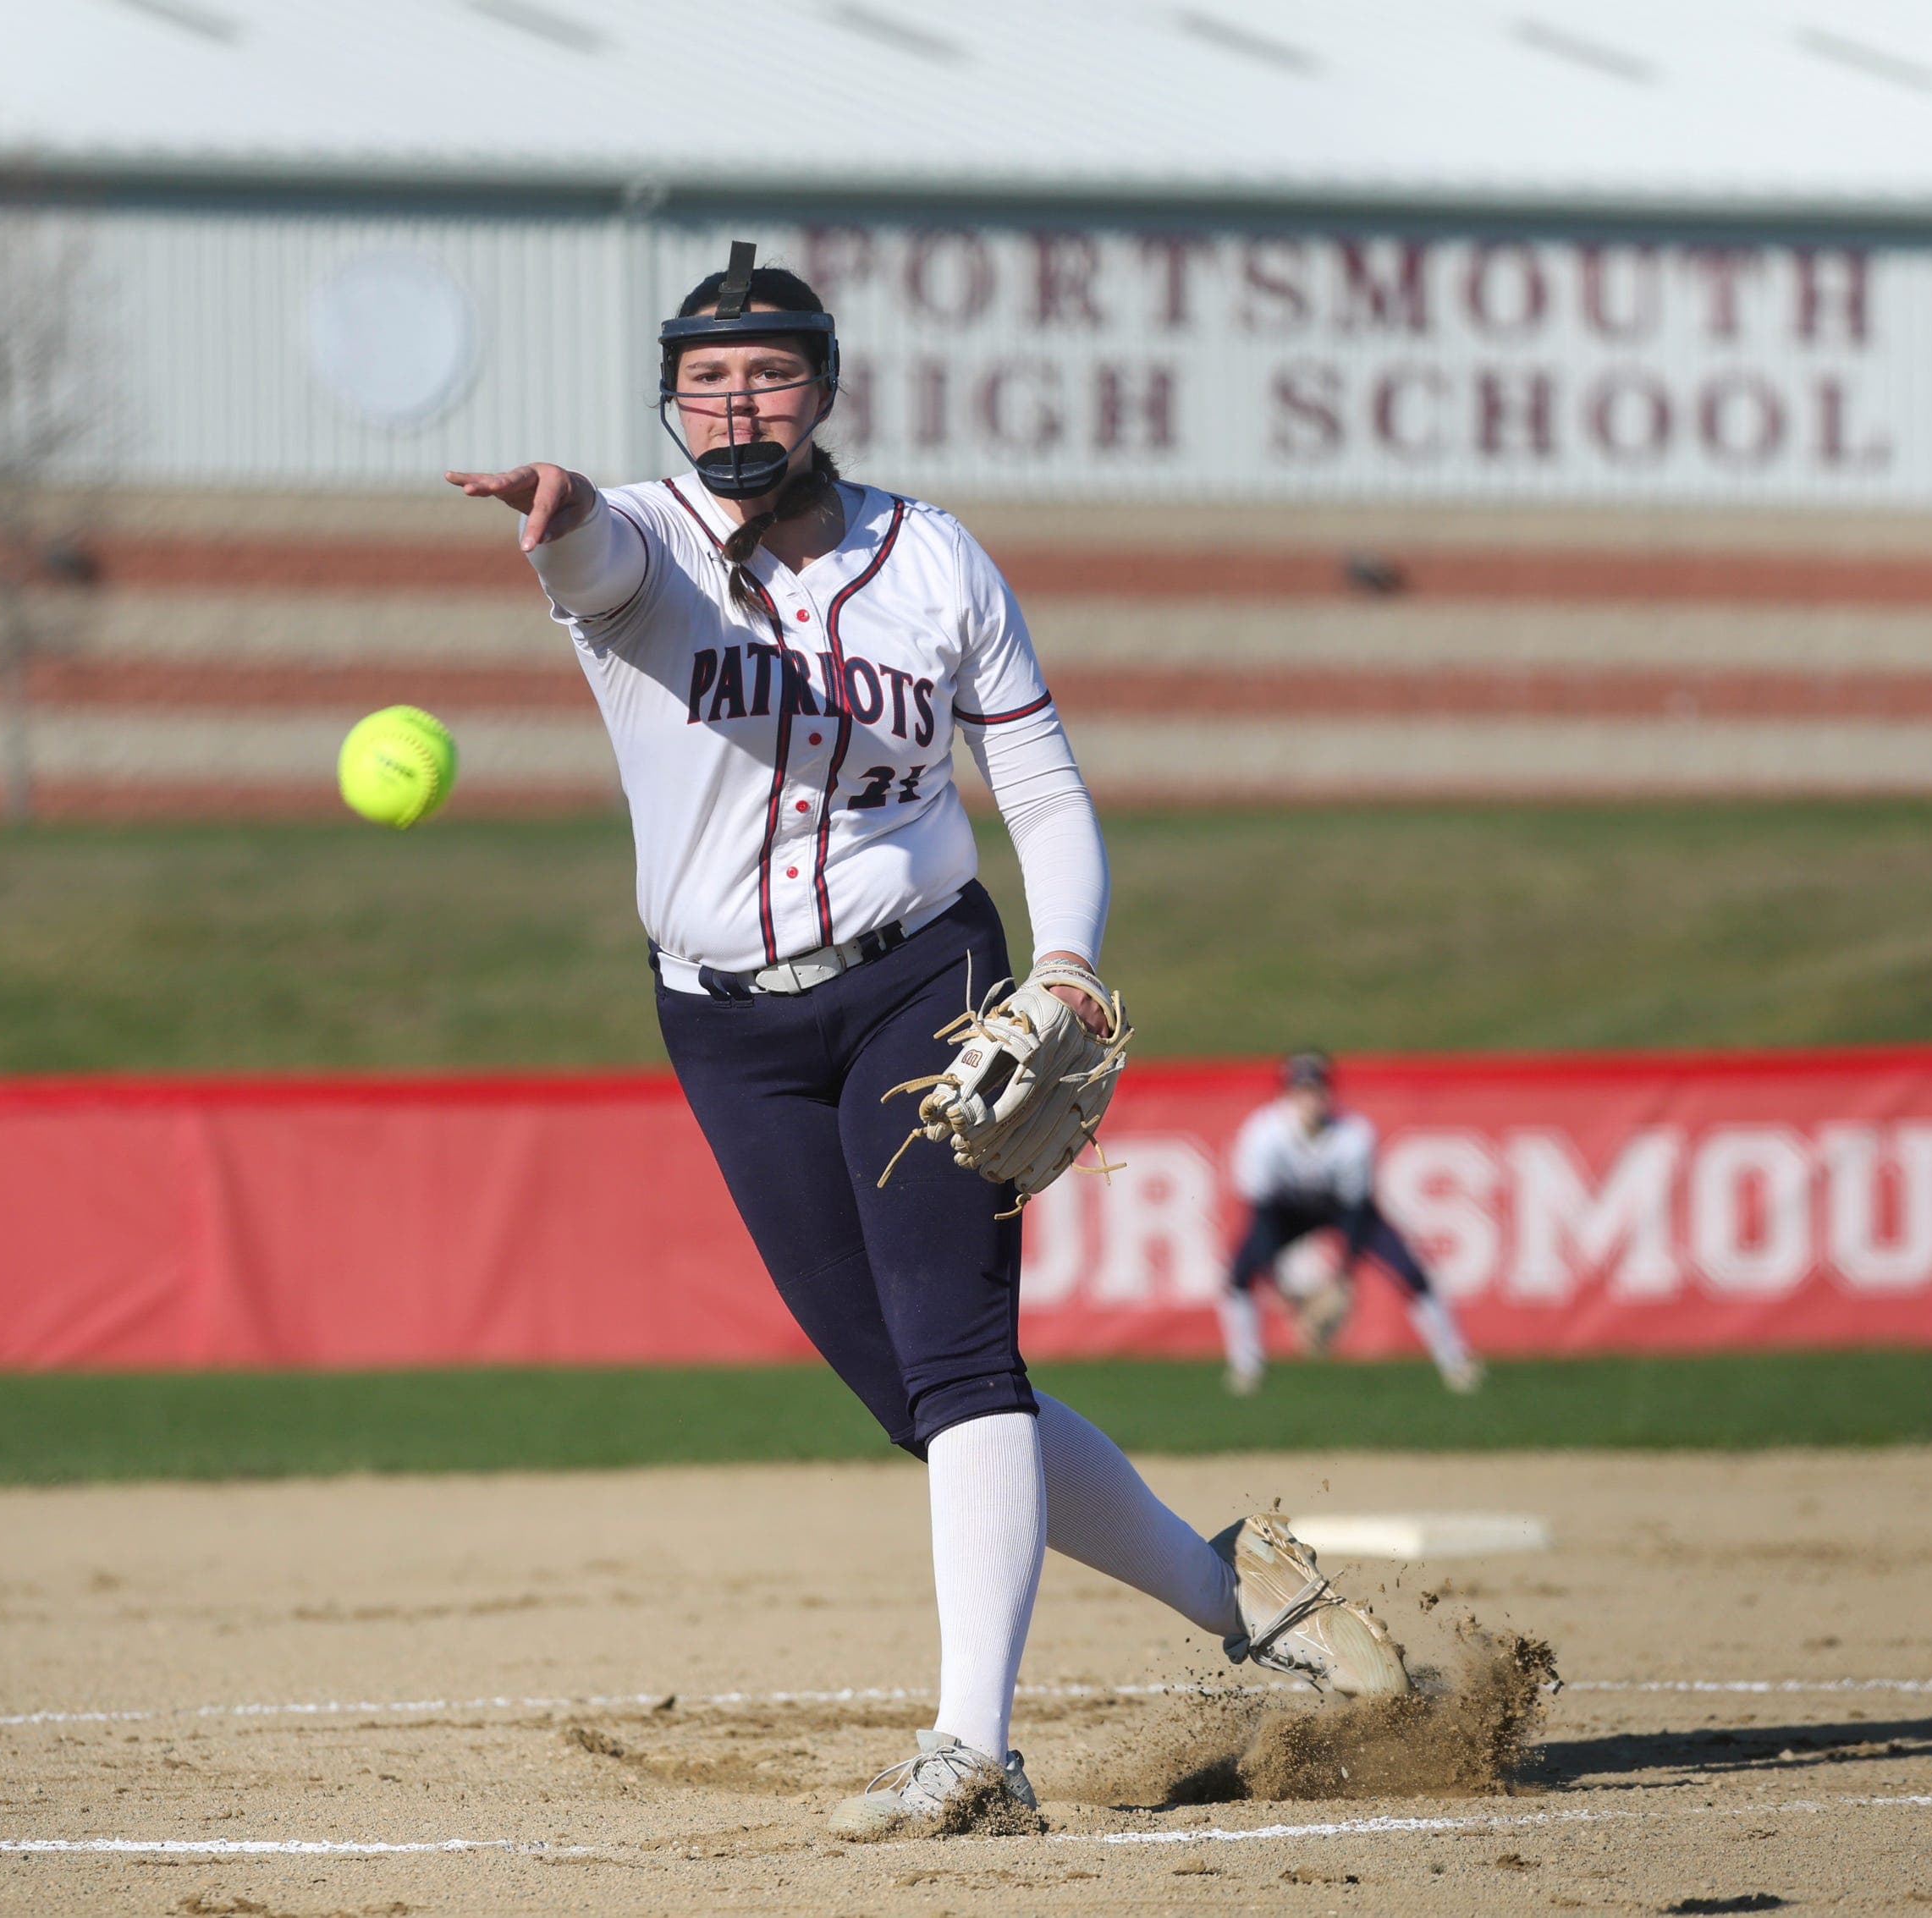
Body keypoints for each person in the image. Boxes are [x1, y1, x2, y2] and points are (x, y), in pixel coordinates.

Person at [445, 244, 1411, 1841]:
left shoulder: (935, 561)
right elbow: (599, 558)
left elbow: (1040, 793)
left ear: (822, 387)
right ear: (668, 402)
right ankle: (1238, 1592)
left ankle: (975, 1750)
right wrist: (560, 507)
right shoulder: (635, 540)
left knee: (963, 1363)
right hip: (725, 1023)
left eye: (766, 372)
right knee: (920, 1394)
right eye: (704, 377)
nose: (734, 400)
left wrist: (1071, 959)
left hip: (923, 982)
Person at [1219, 1050, 1483, 1397]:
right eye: (1302, 1091)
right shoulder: (1263, 1135)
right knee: (1239, 1273)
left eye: (1317, 1090)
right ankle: (1246, 1365)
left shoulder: (1354, 1136)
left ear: (1329, 1094)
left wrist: (1340, 1283)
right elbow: (1264, 1217)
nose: (1310, 1100)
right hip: (1287, 1212)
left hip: (1342, 1209)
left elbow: (1355, 1216)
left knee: (1412, 1271)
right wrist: (1287, 1295)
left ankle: (1455, 1360)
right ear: (1287, 1096)